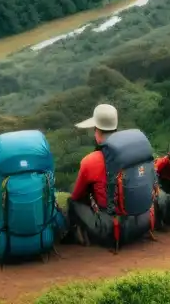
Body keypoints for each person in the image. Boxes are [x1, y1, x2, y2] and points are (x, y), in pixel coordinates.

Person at [64, 103, 120, 246]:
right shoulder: (132, 152)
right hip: (140, 222)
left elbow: (77, 195)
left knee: (73, 201)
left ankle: (74, 237)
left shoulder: (90, 161)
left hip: (111, 230)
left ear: (97, 131)